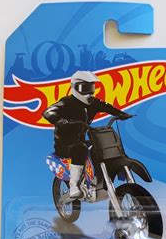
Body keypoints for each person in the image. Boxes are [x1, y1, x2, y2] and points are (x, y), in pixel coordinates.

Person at [43, 70, 132, 198]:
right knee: (80, 149)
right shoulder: (67, 102)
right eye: (85, 88)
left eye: (91, 88)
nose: (89, 93)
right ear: (75, 88)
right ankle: (74, 185)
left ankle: (110, 177)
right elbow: (48, 111)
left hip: (81, 140)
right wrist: (59, 120)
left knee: (103, 147)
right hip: (65, 144)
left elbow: (106, 106)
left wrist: (120, 114)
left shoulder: (93, 103)